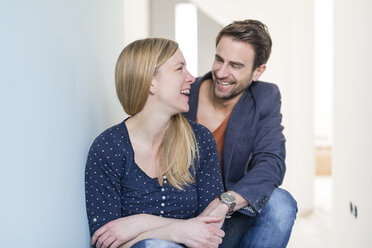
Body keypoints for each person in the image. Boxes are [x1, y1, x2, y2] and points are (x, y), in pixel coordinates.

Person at [85, 38, 226, 248]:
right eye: (179, 69)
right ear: (151, 81)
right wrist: (177, 230)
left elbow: (209, 228)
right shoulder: (108, 147)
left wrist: (139, 223)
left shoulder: (199, 139)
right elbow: (106, 242)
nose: (191, 78)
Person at [183, 20, 298, 247]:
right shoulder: (185, 92)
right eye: (219, 59)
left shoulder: (265, 97)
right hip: (183, 218)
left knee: (281, 204)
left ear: (258, 71)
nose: (221, 73)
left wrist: (225, 201)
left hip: (228, 216)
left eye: (235, 66)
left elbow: (271, 163)